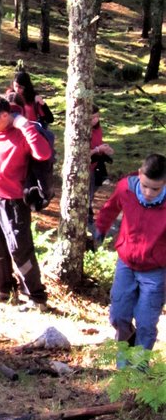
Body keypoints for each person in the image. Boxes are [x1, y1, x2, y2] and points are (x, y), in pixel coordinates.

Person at [0, 93, 52, 311]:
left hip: (14, 201)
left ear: (4, 115)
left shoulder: (21, 132)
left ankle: (36, 297)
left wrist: (25, 125)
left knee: (19, 247)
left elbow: (43, 153)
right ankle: (4, 288)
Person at [94, 153, 166, 358]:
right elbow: (110, 208)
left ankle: (136, 367)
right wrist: (100, 227)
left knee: (146, 322)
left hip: (155, 271)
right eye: (145, 186)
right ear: (140, 174)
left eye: (156, 188)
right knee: (118, 316)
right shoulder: (126, 187)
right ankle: (127, 345)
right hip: (126, 263)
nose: (149, 192)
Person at [88, 104, 114, 224]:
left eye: (97, 117)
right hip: (85, 167)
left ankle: (88, 214)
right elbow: (81, 154)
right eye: (92, 117)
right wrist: (97, 150)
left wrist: (106, 149)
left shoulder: (98, 129)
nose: (95, 120)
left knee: (92, 190)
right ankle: (87, 218)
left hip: (96, 165)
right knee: (87, 193)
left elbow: (98, 143)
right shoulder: (82, 131)